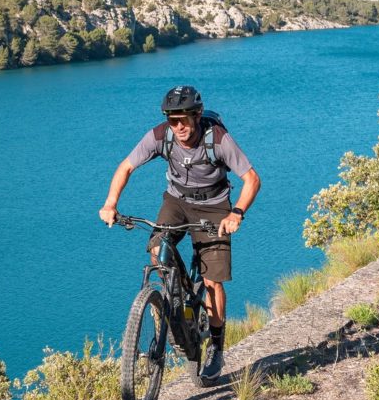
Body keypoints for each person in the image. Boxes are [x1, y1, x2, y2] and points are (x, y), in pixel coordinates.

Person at [98, 85, 261, 381]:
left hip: (214, 207)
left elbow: (251, 179)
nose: (179, 127)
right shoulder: (161, 135)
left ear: (197, 115)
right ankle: (171, 304)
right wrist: (111, 204)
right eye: (173, 120)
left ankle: (216, 346)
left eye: (184, 119)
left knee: (212, 281)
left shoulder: (218, 140)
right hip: (177, 202)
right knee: (157, 250)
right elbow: (126, 167)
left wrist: (236, 213)